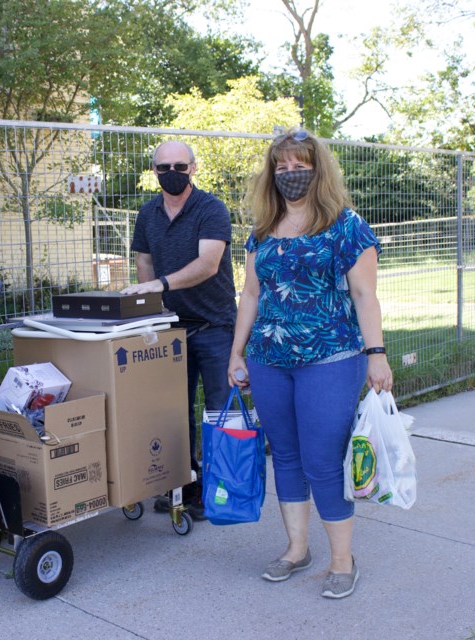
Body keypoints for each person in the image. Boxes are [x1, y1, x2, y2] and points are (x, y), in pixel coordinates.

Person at [227, 129, 393, 599]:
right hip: (268, 360)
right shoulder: (262, 229)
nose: (290, 175)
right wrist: (237, 352)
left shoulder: (346, 225)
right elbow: (251, 295)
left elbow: (364, 295)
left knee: (322, 461)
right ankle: (297, 549)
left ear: (318, 169)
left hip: (331, 358)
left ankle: (343, 561)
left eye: (299, 166)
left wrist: (376, 354)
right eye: (281, 167)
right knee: (287, 456)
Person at [121, 140, 238, 520]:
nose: (172, 174)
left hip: (215, 326)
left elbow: (207, 263)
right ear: (154, 171)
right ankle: (185, 485)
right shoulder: (147, 214)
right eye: (164, 167)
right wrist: (151, 311)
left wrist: (161, 286)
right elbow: (144, 261)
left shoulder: (211, 209)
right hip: (171, 330)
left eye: (180, 167)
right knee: (175, 412)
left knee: (221, 411)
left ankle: (223, 488)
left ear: (193, 168)